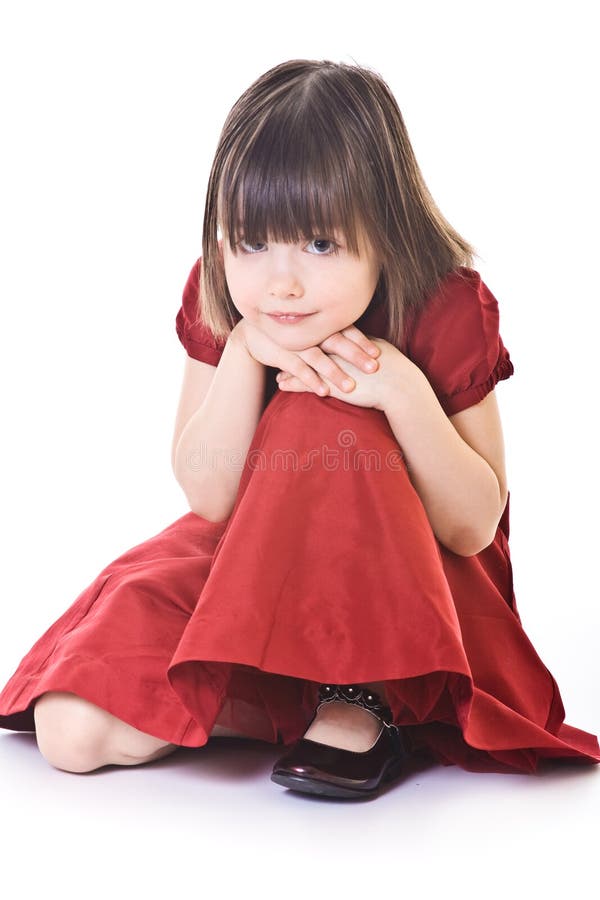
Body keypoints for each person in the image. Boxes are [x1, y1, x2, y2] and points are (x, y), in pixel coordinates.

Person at [0, 59, 598, 800]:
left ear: (385, 231)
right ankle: (289, 689)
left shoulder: (443, 304)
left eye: (319, 245)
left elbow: (474, 526)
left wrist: (403, 394)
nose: (281, 282)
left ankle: (368, 689)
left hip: (411, 577)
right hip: (255, 549)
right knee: (73, 733)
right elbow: (212, 498)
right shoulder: (231, 297)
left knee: (324, 419)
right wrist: (245, 352)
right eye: (253, 243)